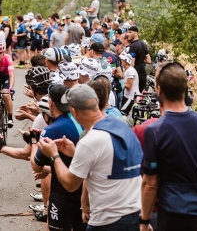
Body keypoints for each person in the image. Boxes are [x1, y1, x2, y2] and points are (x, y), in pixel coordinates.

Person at [37, 84, 143, 230]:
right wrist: (75, 153)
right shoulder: (122, 126)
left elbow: (70, 184)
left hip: (108, 220)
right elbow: (107, 164)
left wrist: (54, 155)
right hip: (135, 214)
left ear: (73, 111)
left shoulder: (90, 141)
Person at [141, 62, 197, 231]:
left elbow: (150, 183)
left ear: (159, 90)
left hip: (173, 212)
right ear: (185, 88)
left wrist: (144, 220)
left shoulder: (155, 131)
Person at [30, 84, 84, 231]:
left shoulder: (51, 129)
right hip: (85, 193)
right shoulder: (82, 121)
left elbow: (36, 165)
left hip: (63, 195)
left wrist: (34, 141)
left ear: (51, 103)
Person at [127, 26, 149, 92]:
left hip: (135, 74)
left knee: (134, 96)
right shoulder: (144, 44)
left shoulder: (132, 46)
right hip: (143, 73)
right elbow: (148, 60)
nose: (128, 34)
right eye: (128, 32)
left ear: (136, 33)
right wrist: (141, 59)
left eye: (130, 32)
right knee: (141, 96)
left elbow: (132, 64)